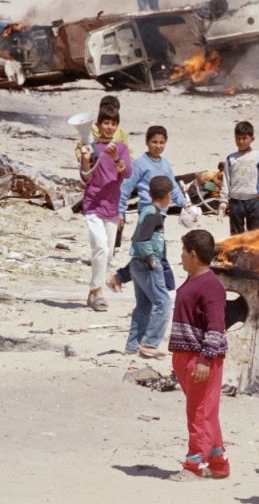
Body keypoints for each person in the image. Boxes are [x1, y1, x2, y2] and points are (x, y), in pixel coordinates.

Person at [167, 229, 230, 480]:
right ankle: (218, 462)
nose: (180, 256)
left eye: (183, 251)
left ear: (193, 254)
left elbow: (216, 326)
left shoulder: (211, 286)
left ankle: (194, 464)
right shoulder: (193, 279)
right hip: (186, 357)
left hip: (201, 360)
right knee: (205, 411)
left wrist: (205, 359)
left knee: (199, 412)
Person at [108, 125, 187, 294]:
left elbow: (173, 187)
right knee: (159, 252)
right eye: (154, 142)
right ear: (147, 142)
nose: (157, 146)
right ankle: (170, 291)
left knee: (147, 253)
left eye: (161, 142)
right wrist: (120, 212)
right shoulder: (140, 164)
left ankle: (119, 277)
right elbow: (125, 188)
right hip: (147, 213)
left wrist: (185, 204)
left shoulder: (165, 164)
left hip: (162, 213)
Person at [80, 104, 132, 312]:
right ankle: (98, 292)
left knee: (108, 254)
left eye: (113, 124)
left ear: (117, 126)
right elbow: (86, 178)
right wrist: (85, 161)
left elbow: (127, 173)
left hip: (112, 207)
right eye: (106, 123)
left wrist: (116, 158)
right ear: (99, 125)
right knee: (100, 246)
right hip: (92, 204)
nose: (109, 127)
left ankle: (92, 293)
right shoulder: (91, 147)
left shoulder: (121, 148)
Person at [123, 176, 174, 358]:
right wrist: (151, 258)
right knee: (164, 303)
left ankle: (132, 346)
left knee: (143, 306)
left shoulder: (146, 211)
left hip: (137, 264)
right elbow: (141, 240)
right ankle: (150, 343)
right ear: (168, 195)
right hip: (147, 265)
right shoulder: (153, 214)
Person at [218, 121, 259, 235]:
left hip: (254, 201)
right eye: (238, 138)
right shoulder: (231, 159)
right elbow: (226, 182)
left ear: (252, 138)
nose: (241, 141)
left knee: (255, 234)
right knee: (236, 235)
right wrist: (223, 202)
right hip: (235, 202)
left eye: (244, 138)